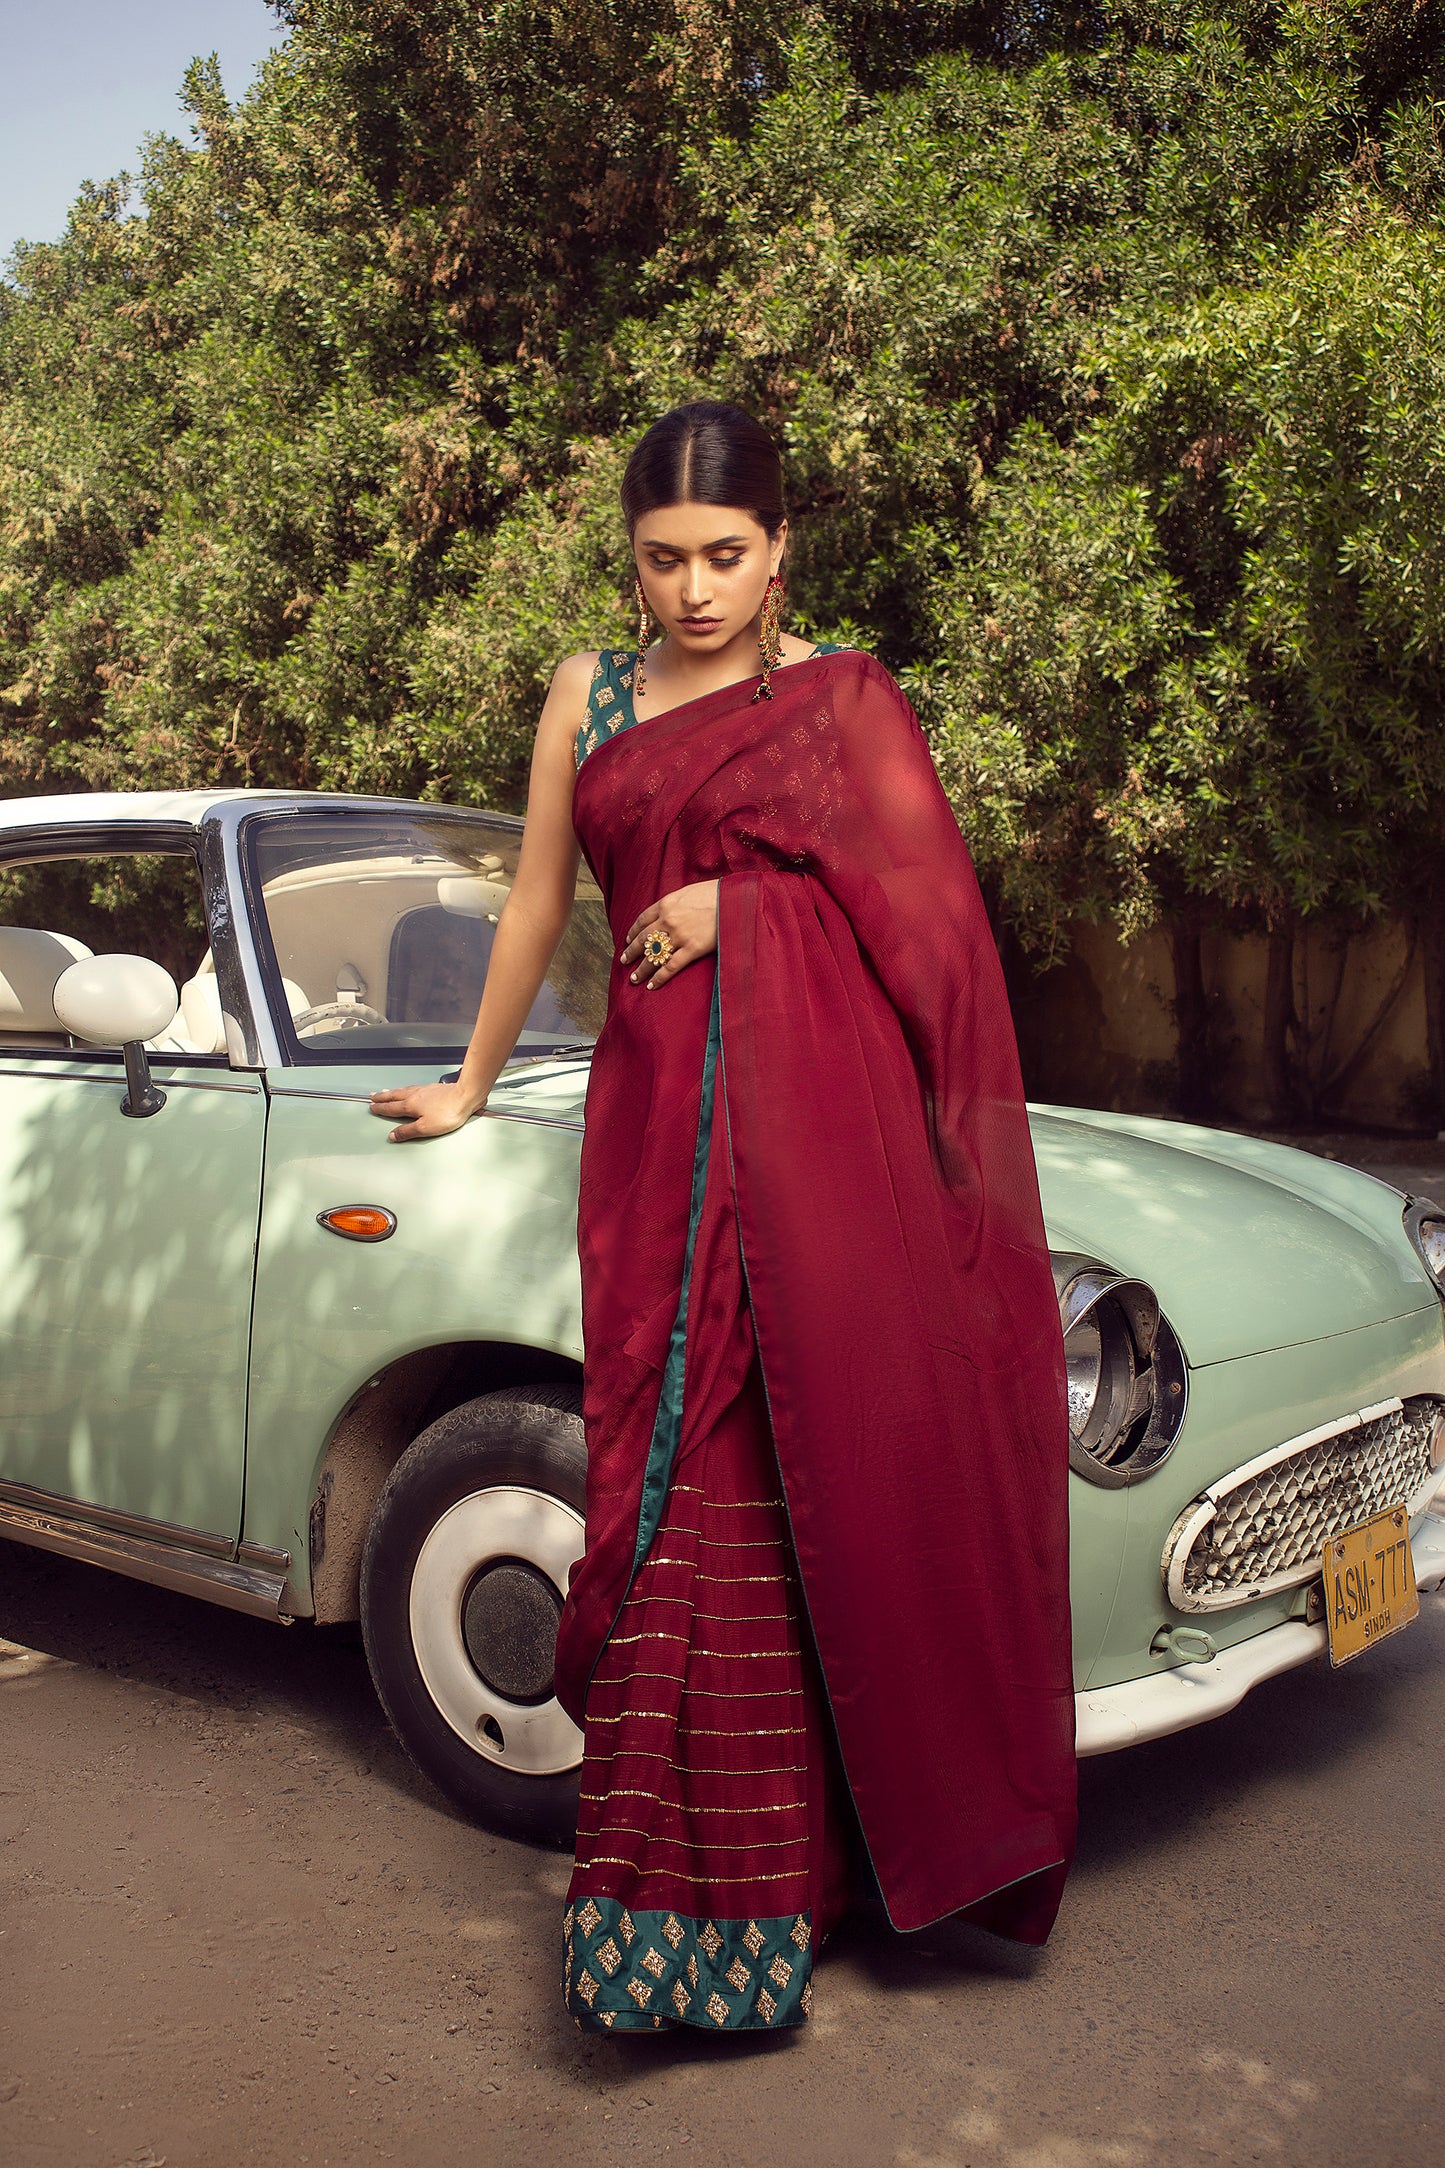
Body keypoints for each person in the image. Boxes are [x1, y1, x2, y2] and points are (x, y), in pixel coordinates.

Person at [369, 400, 1076, 2033]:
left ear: (780, 550)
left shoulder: (835, 701)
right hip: (653, 1140)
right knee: (664, 1476)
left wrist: (744, 903)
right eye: (662, 559)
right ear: (630, 561)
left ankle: (788, 1895)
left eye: (725, 556)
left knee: (784, 1501)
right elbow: (541, 898)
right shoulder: (587, 695)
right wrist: (474, 1085)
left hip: (812, 1151)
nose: (694, 588)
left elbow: (930, 924)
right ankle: (712, 1915)